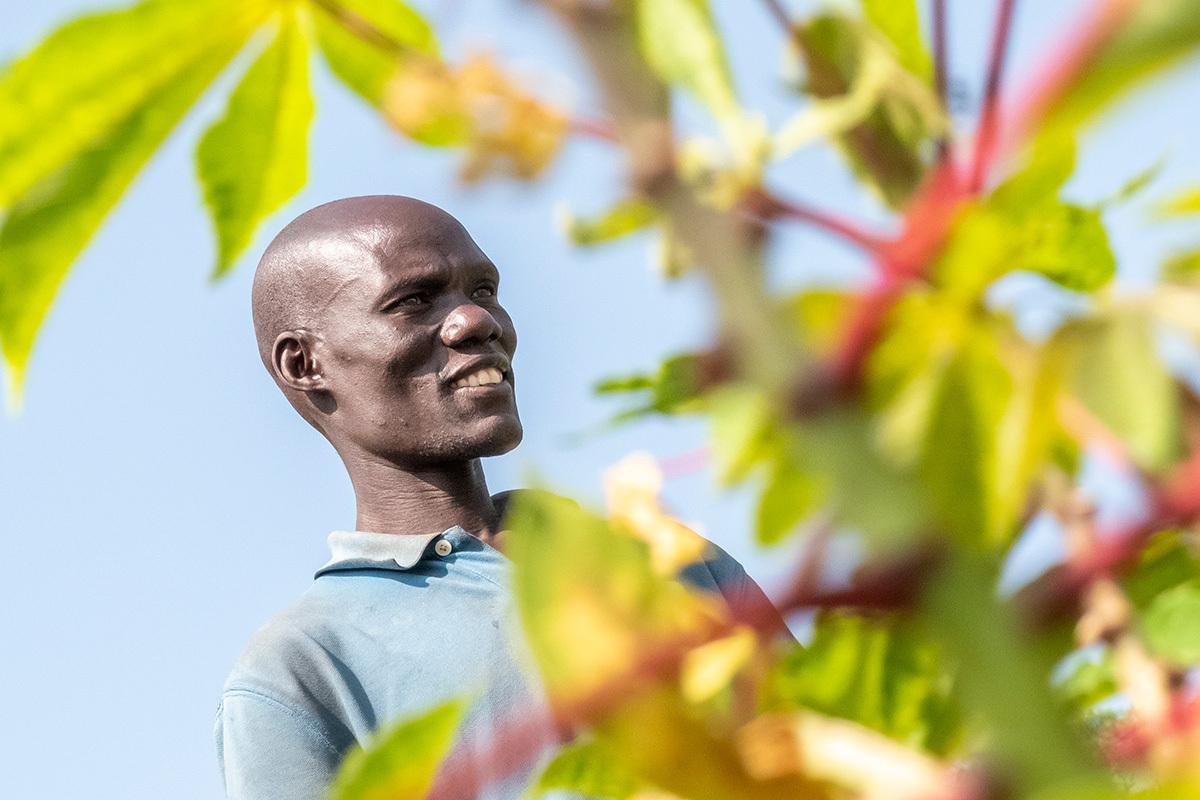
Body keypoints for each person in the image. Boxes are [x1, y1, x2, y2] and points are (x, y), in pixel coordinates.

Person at [215, 195, 783, 799]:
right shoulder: (303, 667)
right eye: (412, 301)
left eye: (483, 291)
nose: (477, 321)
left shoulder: (662, 554)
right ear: (304, 364)